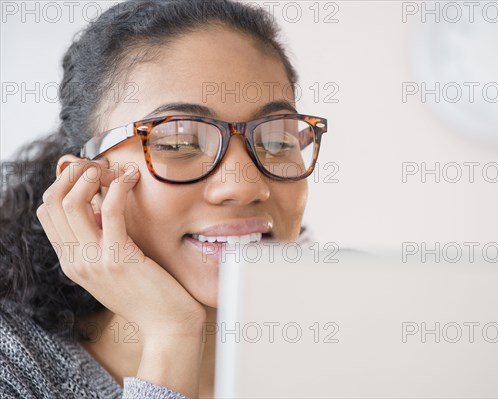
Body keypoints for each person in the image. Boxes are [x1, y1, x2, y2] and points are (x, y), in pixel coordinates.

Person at [0, 1, 327, 398]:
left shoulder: (345, 341)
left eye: (277, 139)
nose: (245, 186)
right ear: (84, 184)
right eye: (180, 142)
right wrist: (171, 336)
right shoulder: (13, 370)